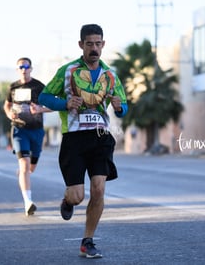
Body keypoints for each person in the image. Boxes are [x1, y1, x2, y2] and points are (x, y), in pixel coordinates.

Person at [38, 24, 128, 258]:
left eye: (98, 44)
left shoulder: (111, 75)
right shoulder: (67, 71)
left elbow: (123, 107)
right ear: (81, 45)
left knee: (98, 189)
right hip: (74, 139)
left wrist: (120, 107)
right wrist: (65, 104)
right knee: (78, 195)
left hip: (101, 137)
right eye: (90, 44)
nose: (94, 49)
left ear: (103, 44)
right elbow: (44, 96)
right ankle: (68, 201)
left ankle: (87, 241)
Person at [3, 57, 51, 216]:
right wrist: (10, 114)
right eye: (20, 67)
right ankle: (28, 202)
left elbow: (52, 105)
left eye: (26, 66)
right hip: (19, 130)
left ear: (31, 68)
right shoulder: (13, 87)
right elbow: (7, 104)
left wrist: (39, 109)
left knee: (31, 167)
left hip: (36, 131)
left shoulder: (39, 86)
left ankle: (24, 173)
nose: (23, 69)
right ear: (17, 70)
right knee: (24, 165)